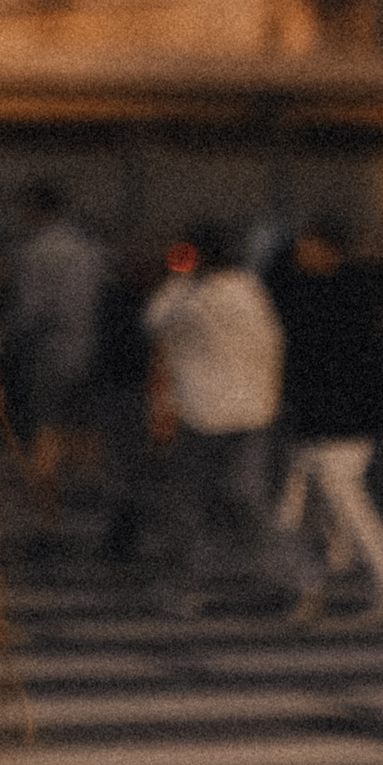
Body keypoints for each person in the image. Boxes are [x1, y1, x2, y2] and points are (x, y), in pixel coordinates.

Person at [265, 215, 383, 619]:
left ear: (325, 247)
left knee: (342, 502)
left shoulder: (340, 296)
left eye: (308, 242)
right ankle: (316, 581)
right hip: (321, 419)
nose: (301, 250)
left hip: (341, 420)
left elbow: (335, 363)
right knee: (299, 507)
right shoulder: (322, 288)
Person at [140, 227, 291, 606]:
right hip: (254, 410)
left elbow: (154, 324)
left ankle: (194, 582)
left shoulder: (190, 297)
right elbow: (273, 343)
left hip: (202, 412)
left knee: (189, 500)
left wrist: (177, 280)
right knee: (249, 495)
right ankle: (286, 575)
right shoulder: (250, 290)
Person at [0, 180, 112, 513]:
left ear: (35, 209)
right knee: (83, 426)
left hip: (48, 351)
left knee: (45, 428)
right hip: (89, 348)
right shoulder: (90, 248)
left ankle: (46, 503)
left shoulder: (34, 252)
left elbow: (29, 312)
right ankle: (94, 498)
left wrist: (4, 341)